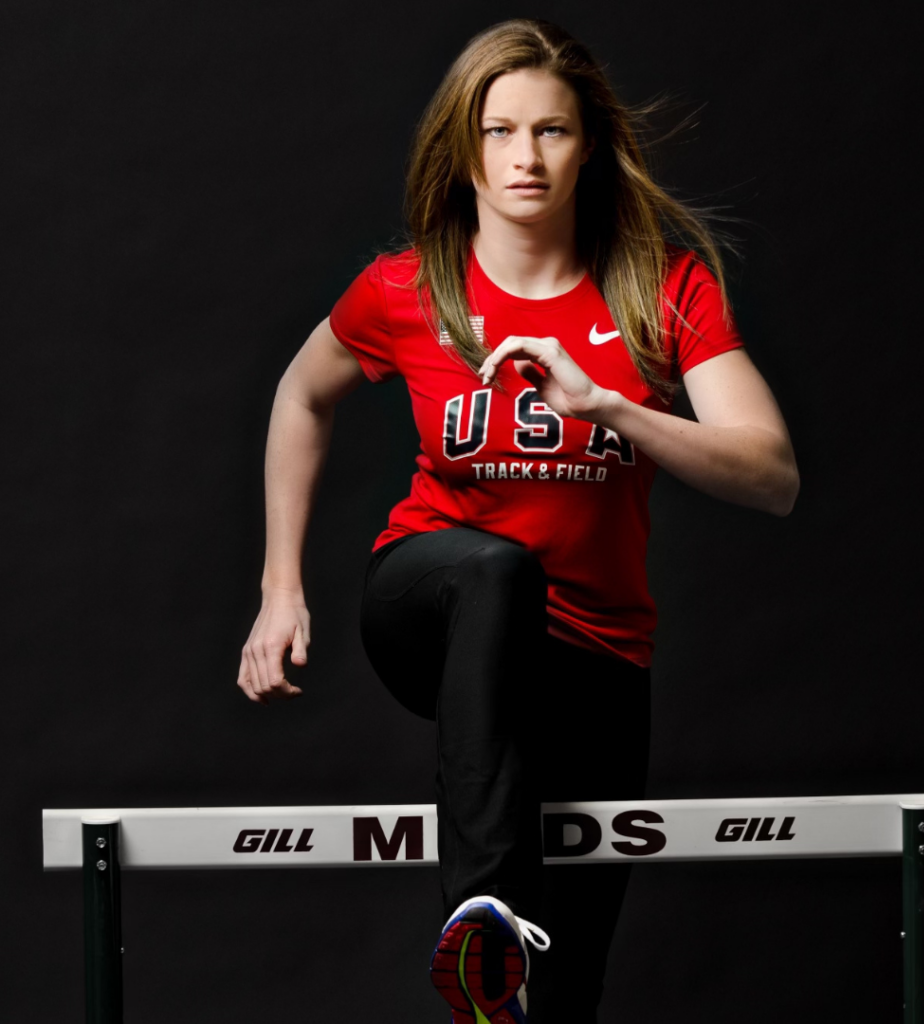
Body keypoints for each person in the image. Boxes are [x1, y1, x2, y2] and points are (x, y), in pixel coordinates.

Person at [237, 18, 798, 1024]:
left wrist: (611, 408)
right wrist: (281, 588)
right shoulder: (407, 287)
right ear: (463, 150)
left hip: (591, 664)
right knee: (496, 569)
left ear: (590, 146)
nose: (524, 158)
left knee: (566, 996)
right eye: (498, 132)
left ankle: (507, 967)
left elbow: (771, 475)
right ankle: (479, 917)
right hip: (432, 609)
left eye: (551, 131)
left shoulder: (660, 291)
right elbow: (299, 395)